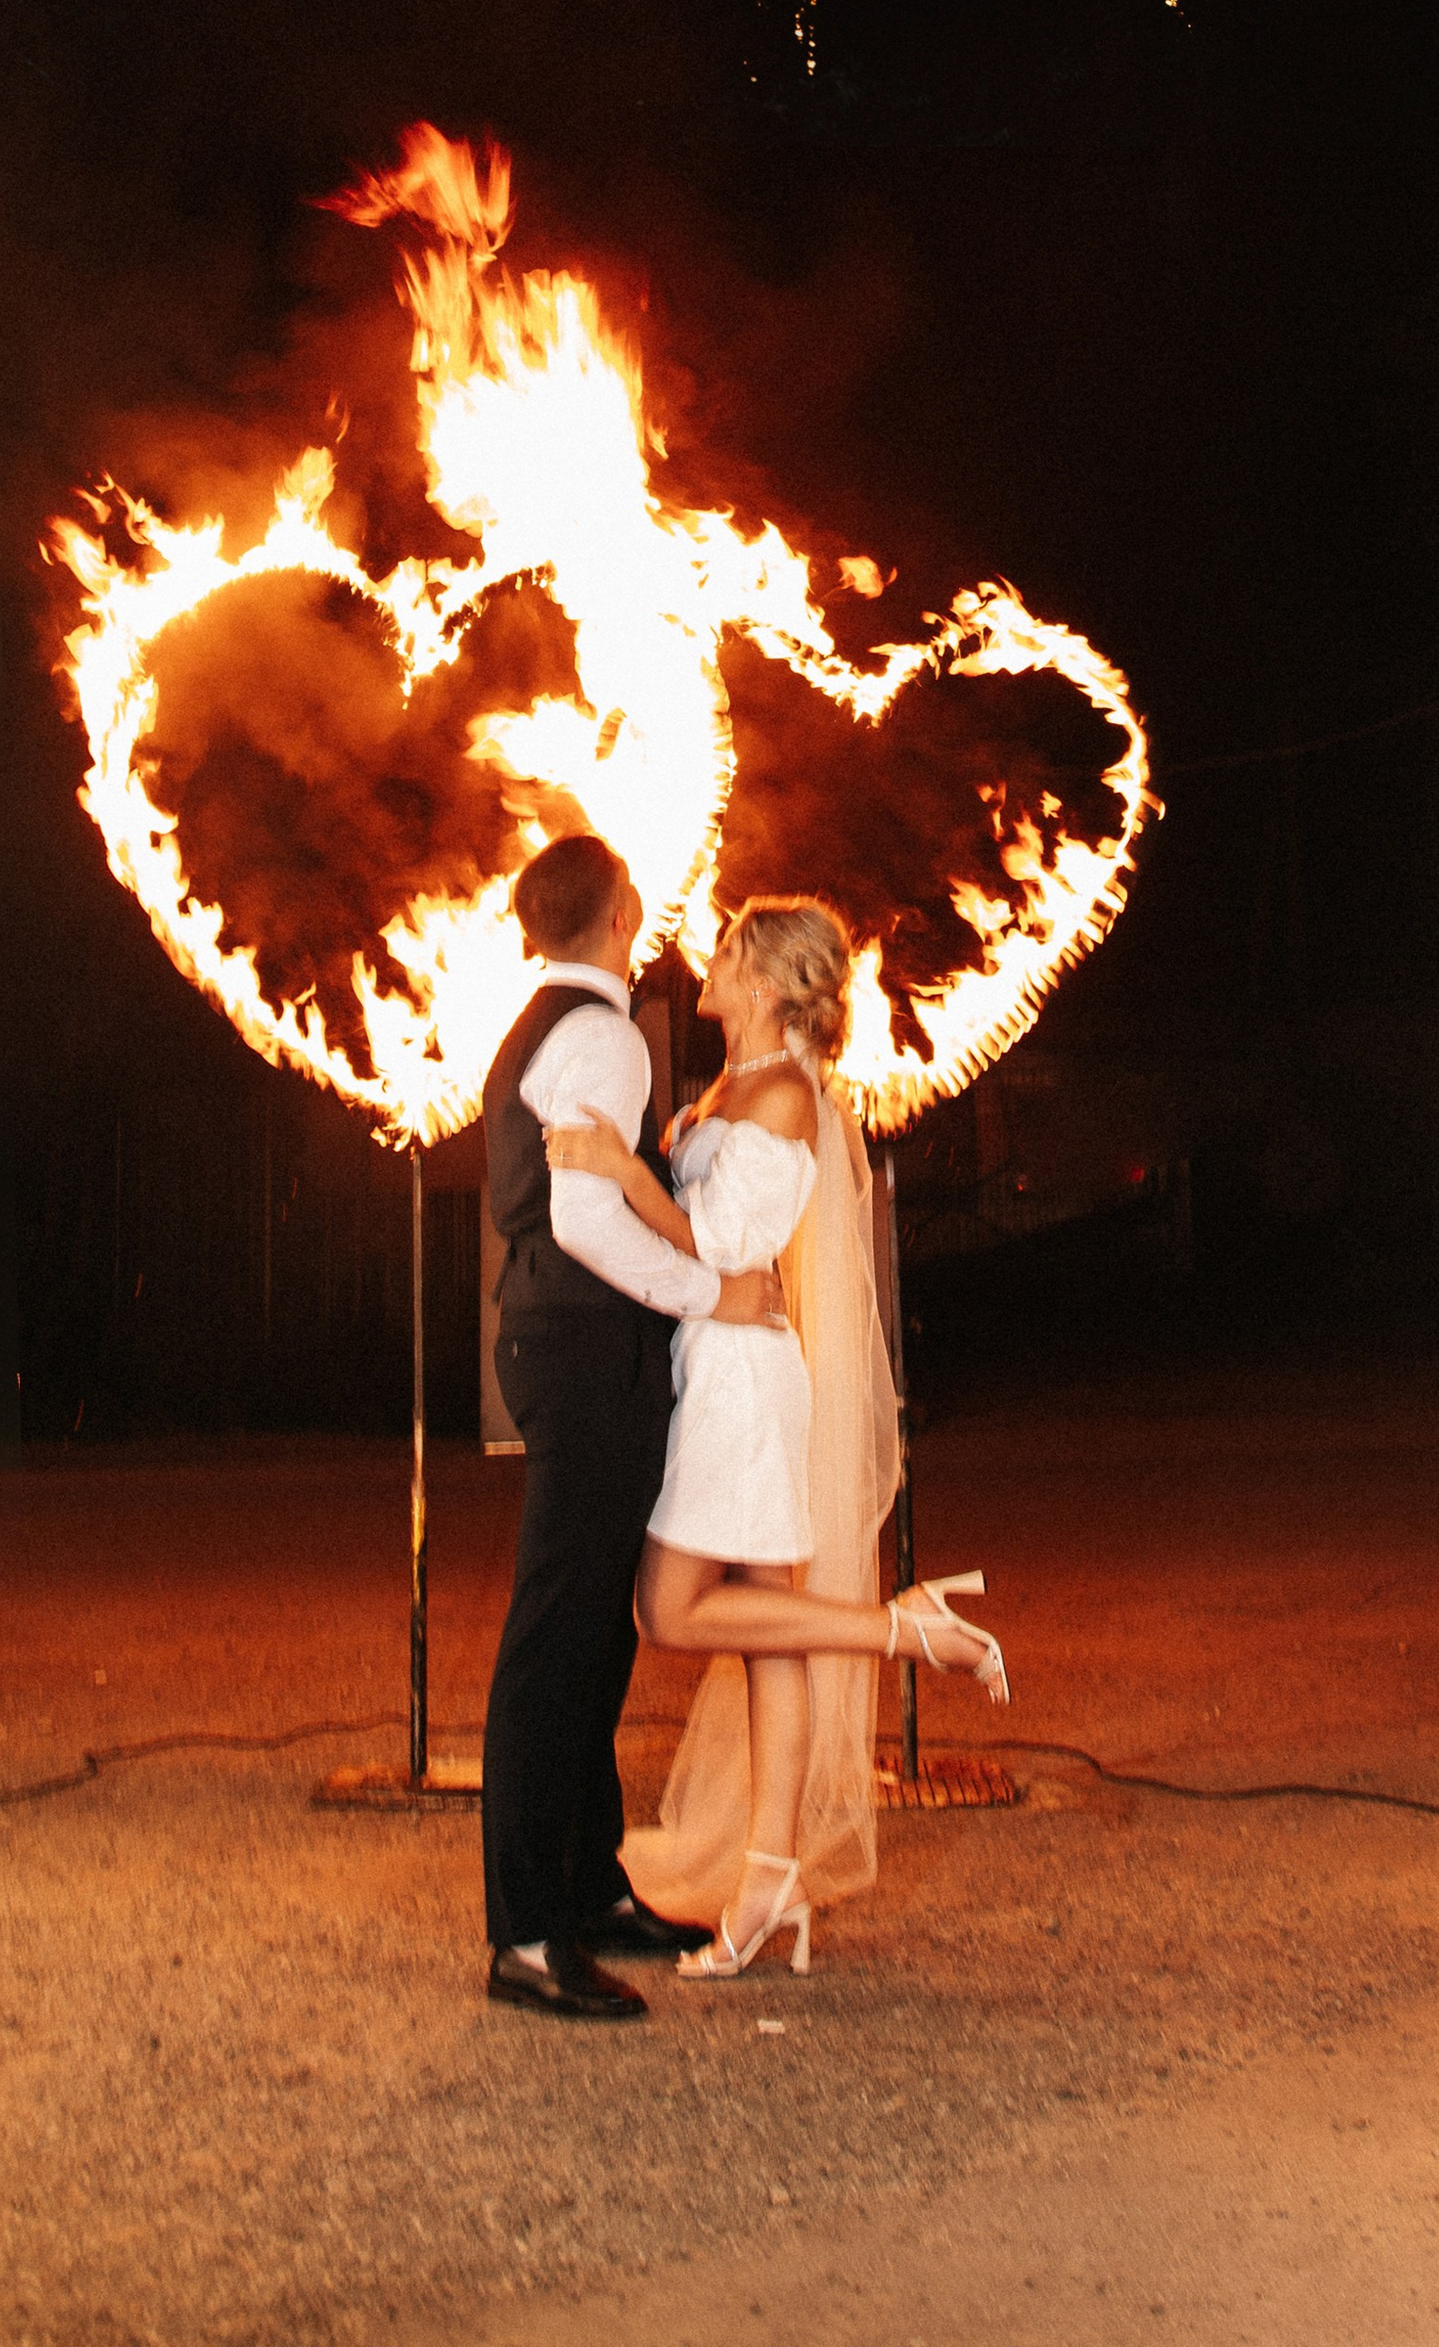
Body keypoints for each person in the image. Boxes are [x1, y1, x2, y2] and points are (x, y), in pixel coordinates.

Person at [545, 893, 1009, 1982]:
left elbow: (717, 1242)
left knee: (668, 1608)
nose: (701, 962)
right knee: (771, 1638)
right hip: (726, 1365)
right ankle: (769, 1886)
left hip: (740, 1388)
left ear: (759, 982)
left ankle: (899, 1627)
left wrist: (624, 1172)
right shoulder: (739, 1085)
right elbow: (717, 1245)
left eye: (723, 951)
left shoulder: (789, 1097)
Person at [478, 830, 790, 2023]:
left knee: (595, 1631)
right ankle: (524, 1935)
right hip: (582, 1347)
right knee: (557, 1633)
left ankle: (587, 1885)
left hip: (572, 1347)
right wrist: (715, 1295)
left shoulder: (553, 1024)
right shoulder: (601, 1034)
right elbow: (586, 1226)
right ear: (625, 916)